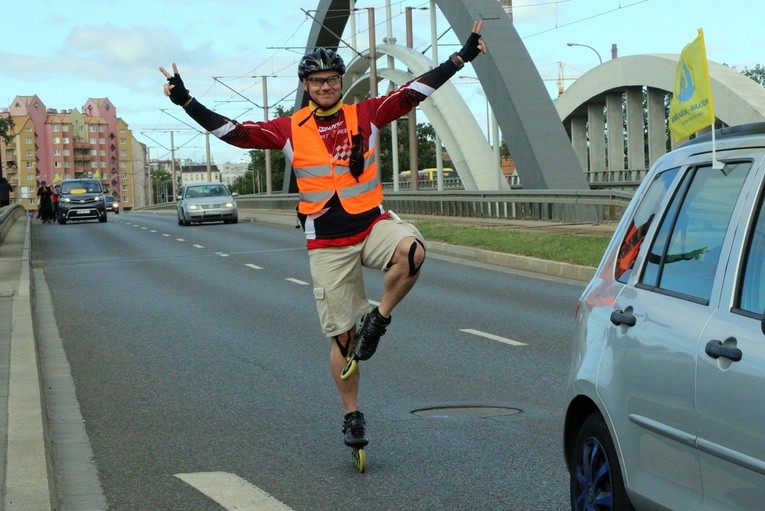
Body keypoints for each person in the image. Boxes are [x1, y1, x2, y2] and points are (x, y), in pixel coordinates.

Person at [160, 22, 487, 450]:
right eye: (317, 81)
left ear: (341, 82)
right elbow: (234, 133)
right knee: (343, 339)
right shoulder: (288, 129)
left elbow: (413, 92)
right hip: (326, 239)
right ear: (306, 85)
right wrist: (186, 100)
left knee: (413, 251)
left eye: (332, 79)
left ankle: (381, 319)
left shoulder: (365, 114)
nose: (326, 86)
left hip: (371, 223)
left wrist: (460, 59)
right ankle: (352, 415)